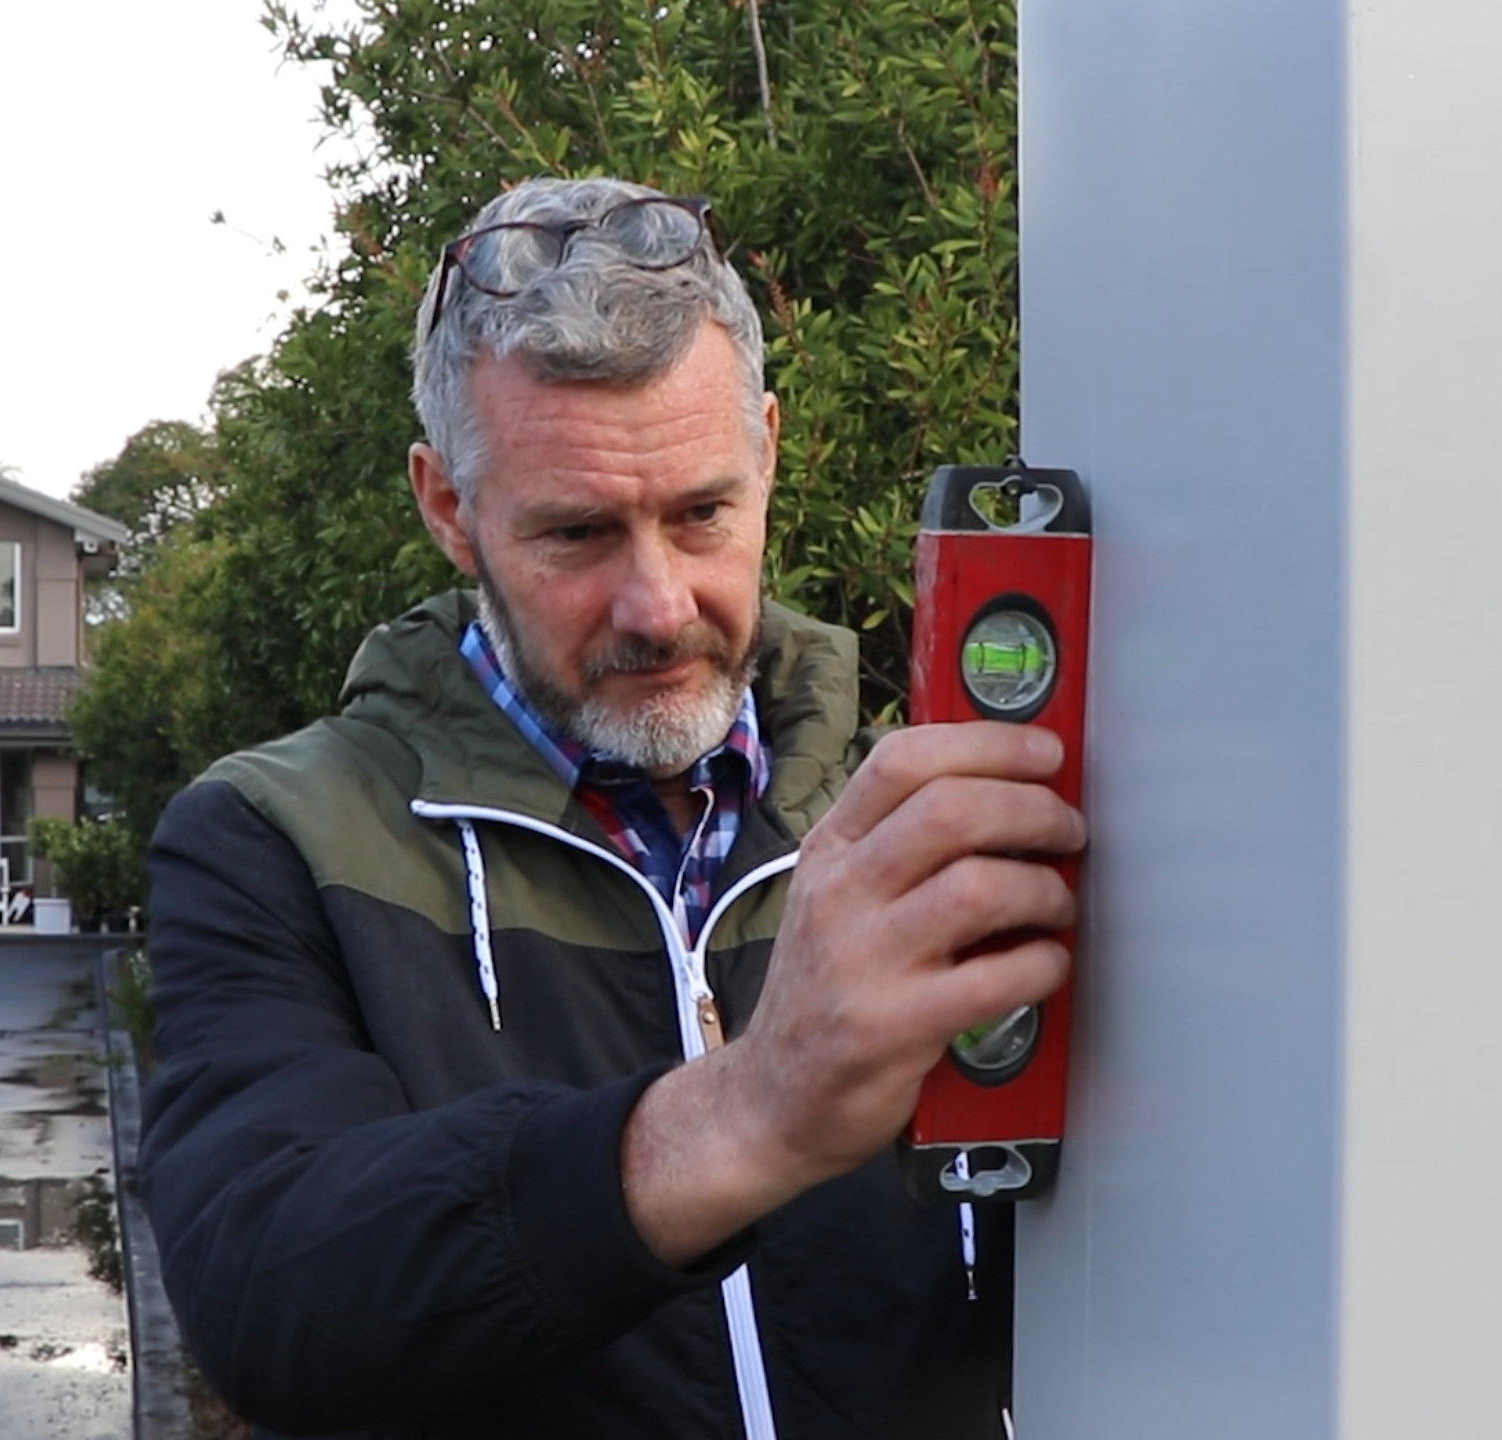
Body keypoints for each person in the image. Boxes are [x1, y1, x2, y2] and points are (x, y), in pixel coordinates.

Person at [139, 175, 1085, 1440]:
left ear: (769, 447)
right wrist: (752, 1109)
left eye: (702, 513)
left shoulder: (915, 825)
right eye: (578, 534)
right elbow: (277, 1305)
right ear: (447, 508)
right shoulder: (274, 838)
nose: (657, 604)